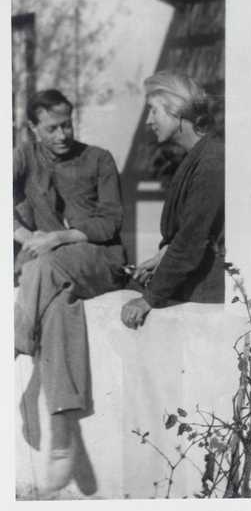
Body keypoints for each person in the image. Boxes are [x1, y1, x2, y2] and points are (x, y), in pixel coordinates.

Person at [14, 89, 126, 492]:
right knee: (59, 305)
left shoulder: (99, 158)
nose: (62, 134)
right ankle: (62, 434)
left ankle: (17, 338)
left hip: (101, 261)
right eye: (51, 128)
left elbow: (111, 224)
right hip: (53, 275)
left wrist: (56, 239)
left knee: (41, 267)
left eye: (67, 124)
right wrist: (25, 235)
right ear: (33, 128)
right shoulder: (26, 156)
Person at [121, 71, 225, 329]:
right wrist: (161, 258)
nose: (148, 120)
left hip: (208, 289)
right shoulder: (198, 157)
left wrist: (149, 299)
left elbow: (192, 240)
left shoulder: (212, 161)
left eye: (154, 111)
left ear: (177, 113)